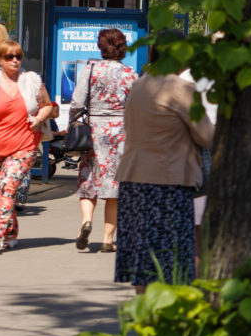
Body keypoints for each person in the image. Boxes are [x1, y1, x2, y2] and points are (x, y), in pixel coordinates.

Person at [114, 40, 214, 292]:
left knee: (143, 259)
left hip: (134, 179)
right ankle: (168, 322)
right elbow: (206, 136)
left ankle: (144, 318)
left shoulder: (138, 85)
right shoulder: (182, 89)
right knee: (173, 259)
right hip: (169, 181)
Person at [70, 28, 138, 253]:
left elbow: (77, 102)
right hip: (120, 133)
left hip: (94, 133)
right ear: (122, 48)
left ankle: (85, 223)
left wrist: (73, 123)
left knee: (88, 180)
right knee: (114, 187)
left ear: (101, 47)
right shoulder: (130, 73)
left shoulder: (91, 69)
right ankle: (108, 239)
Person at [0, 39, 54, 252]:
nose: (15, 61)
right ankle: (10, 233)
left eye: (18, 56)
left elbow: (48, 106)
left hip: (24, 145)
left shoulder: (31, 81)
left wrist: (38, 119)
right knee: (2, 192)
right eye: (9, 57)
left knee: (8, 187)